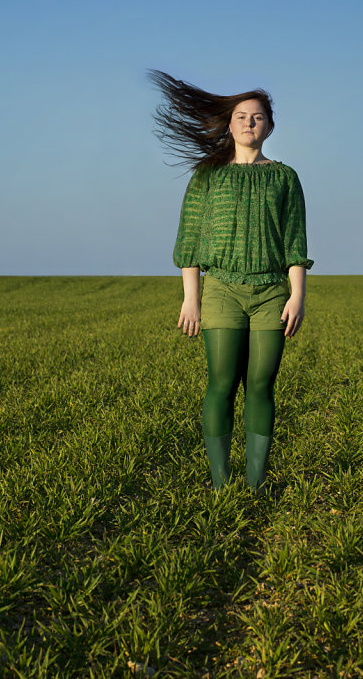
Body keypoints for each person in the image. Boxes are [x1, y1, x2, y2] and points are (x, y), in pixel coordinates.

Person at [149, 69, 313, 493]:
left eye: (257, 117)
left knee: (260, 385)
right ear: (229, 123)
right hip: (221, 288)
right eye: (241, 116)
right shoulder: (207, 176)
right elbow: (189, 241)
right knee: (221, 382)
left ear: (270, 126)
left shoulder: (285, 178)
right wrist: (191, 298)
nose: (248, 123)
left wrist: (298, 295)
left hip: (271, 293)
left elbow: (295, 241)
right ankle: (221, 483)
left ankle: (256, 482)